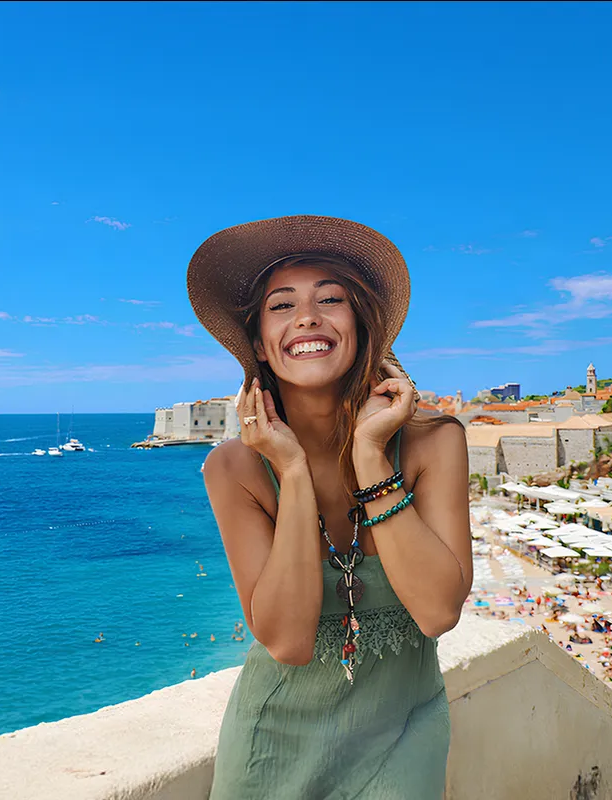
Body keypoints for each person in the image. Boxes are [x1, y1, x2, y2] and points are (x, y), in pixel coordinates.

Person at [195, 216, 469, 800]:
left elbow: (437, 611)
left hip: (404, 735)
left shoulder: (434, 442)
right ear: (260, 341)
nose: (307, 317)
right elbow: (288, 642)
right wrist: (292, 473)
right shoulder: (234, 469)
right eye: (281, 305)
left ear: (361, 323)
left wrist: (371, 455)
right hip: (271, 745)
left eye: (331, 299)